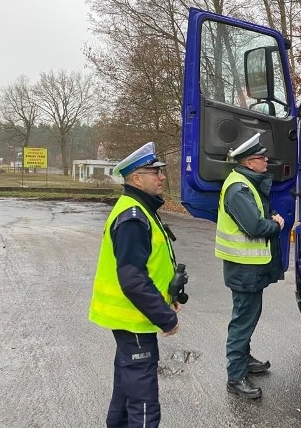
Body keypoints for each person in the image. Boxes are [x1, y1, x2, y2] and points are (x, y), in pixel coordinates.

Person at [89, 142, 181, 428]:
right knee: (143, 401)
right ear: (136, 179)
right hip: (135, 320)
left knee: (126, 387)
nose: (162, 177)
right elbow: (133, 279)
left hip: (132, 319)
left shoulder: (138, 209)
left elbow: (149, 266)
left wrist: (168, 294)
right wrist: (166, 318)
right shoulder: (133, 217)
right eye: (155, 172)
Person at [215, 133, 285, 399]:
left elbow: (254, 217)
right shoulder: (239, 188)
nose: (266, 160)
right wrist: (275, 224)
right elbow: (254, 226)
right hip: (243, 268)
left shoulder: (245, 183)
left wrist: (268, 218)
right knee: (243, 320)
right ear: (248, 162)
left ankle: (244, 360)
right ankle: (235, 376)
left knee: (248, 316)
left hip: (249, 267)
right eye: (261, 157)